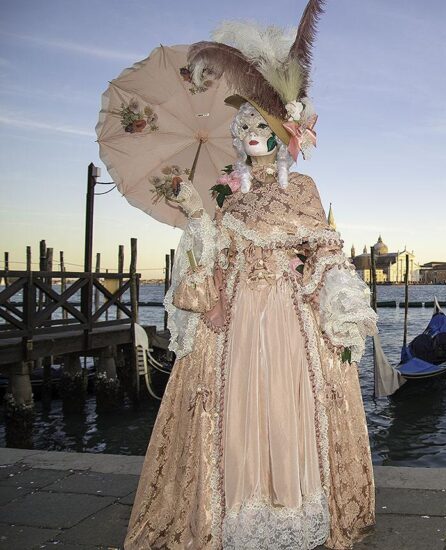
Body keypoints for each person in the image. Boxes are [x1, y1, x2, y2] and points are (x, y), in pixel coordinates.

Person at [123, 2, 379, 549]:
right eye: (241, 124)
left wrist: (326, 285)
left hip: (291, 320)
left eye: (257, 123)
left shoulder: (302, 191)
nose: (246, 130)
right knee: (238, 416)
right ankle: (240, 513)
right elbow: (207, 259)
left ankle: (295, 510)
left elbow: (326, 250)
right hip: (237, 320)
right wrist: (196, 218)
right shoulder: (226, 200)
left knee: (292, 410)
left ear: (283, 131)